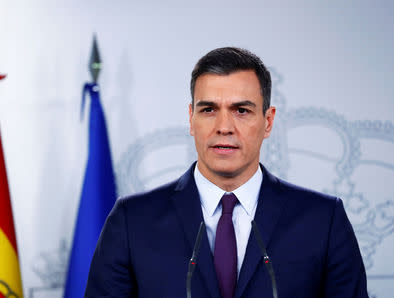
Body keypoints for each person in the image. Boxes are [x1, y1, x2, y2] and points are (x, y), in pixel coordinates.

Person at [84, 47, 368, 298]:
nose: (224, 127)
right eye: (208, 109)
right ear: (191, 119)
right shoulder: (132, 221)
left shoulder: (323, 220)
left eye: (241, 111)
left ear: (268, 122)